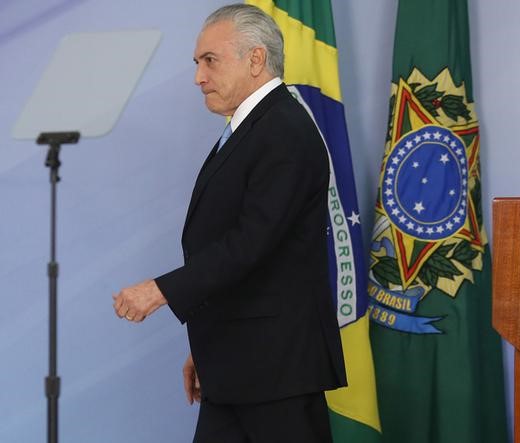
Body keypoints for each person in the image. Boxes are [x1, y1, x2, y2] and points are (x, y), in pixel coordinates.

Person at [112, 4, 346, 442]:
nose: (198, 77)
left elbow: (250, 243)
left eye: (210, 61)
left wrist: (160, 290)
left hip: (278, 371)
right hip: (240, 362)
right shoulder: (254, 127)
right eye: (197, 63)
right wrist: (210, 347)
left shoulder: (284, 130)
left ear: (256, 59)